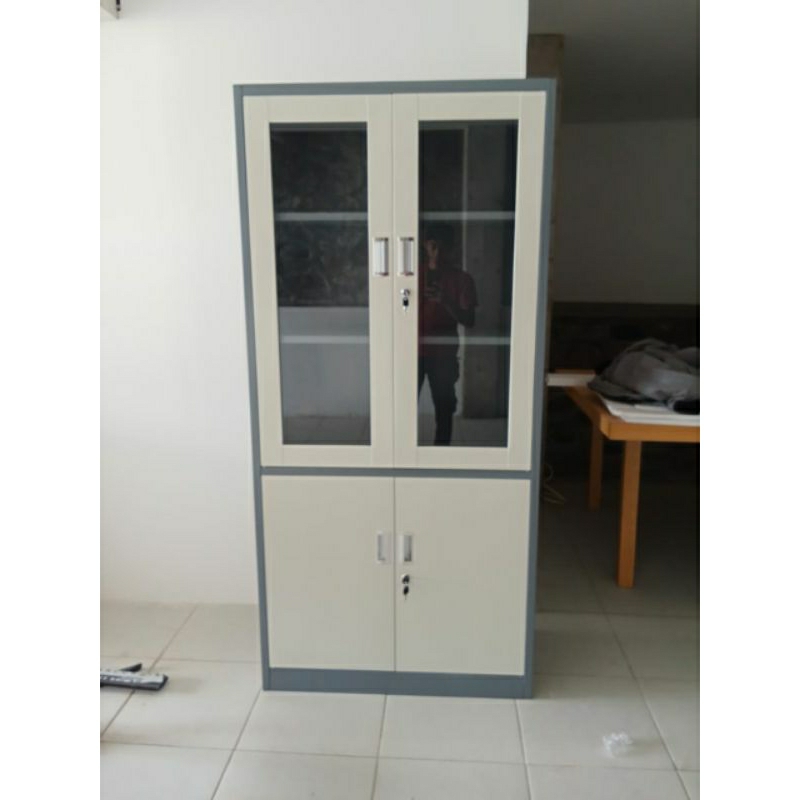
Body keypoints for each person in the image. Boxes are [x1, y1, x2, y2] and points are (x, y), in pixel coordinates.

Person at [417, 226, 478, 445]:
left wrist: (447, 302)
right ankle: (403, 458)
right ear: (425, 246)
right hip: (412, 351)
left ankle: (440, 456)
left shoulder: (462, 279)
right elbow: (398, 310)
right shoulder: (411, 276)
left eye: (443, 247)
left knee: (444, 409)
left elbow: (469, 320)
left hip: (443, 353)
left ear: (452, 248)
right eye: (433, 246)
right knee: (402, 408)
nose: (437, 252)